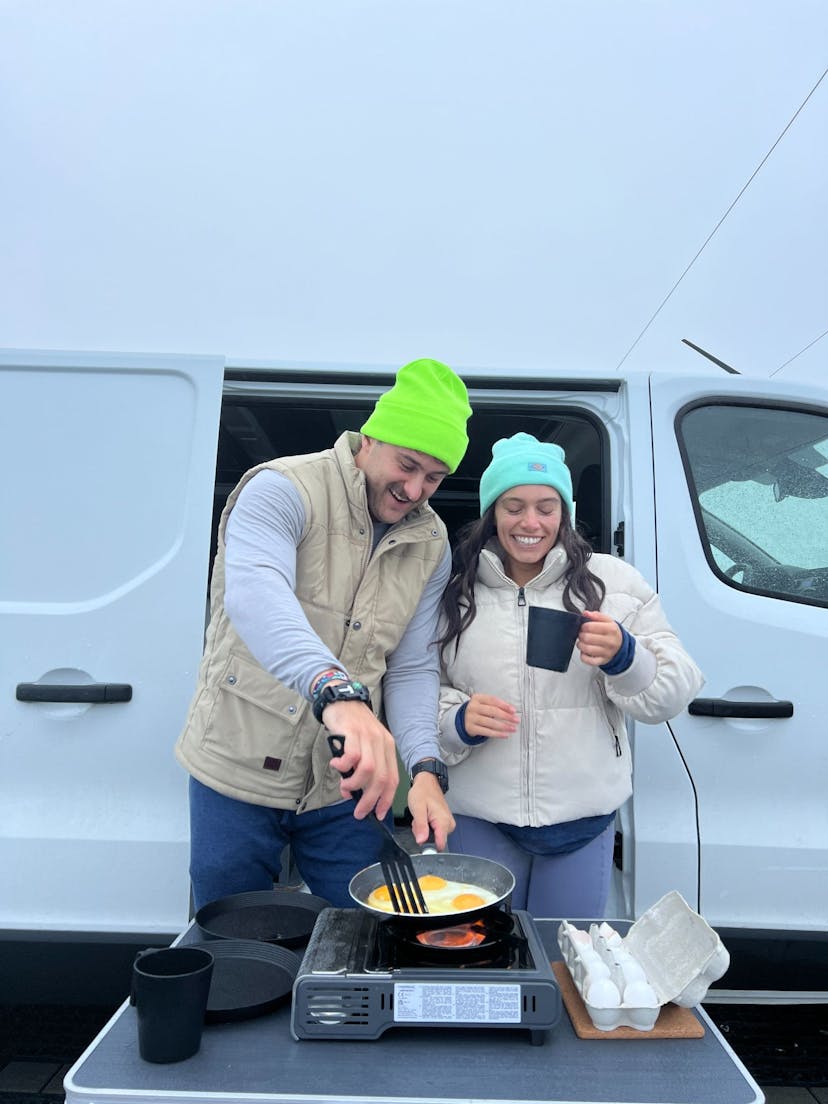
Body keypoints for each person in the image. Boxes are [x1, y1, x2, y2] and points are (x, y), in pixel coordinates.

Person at [176, 358, 472, 909]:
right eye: (407, 465)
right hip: (236, 770)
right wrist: (338, 695)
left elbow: (410, 666)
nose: (414, 489)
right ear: (371, 437)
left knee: (364, 937)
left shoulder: (431, 541)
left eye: (434, 478)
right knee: (232, 943)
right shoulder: (282, 488)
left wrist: (427, 768)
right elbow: (256, 595)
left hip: (343, 789)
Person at [437, 432, 704, 918]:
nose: (530, 522)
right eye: (513, 505)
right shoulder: (455, 593)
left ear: (565, 513)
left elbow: (676, 689)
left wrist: (626, 655)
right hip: (480, 817)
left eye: (546, 506)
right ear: (492, 513)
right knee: (482, 965)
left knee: (566, 966)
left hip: (582, 819)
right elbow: (413, 697)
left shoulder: (614, 583)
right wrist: (458, 720)